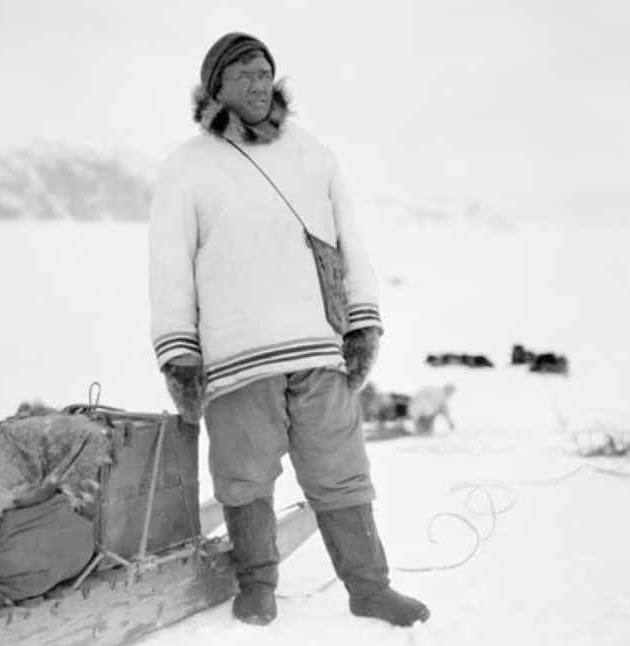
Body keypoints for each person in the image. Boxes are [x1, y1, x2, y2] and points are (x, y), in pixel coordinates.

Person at [148, 32, 430, 628]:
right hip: (236, 353)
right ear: (216, 84)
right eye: (245, 73)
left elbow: (349, 242)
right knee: (244, 474)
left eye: (265, 72)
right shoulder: (188, 166)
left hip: (317, 344)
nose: (258, 83)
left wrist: (362, 323)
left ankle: (369, 587)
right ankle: (258, 587)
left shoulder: (313, 154)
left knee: (341, 469)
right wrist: (181, 355)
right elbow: (170, 267)